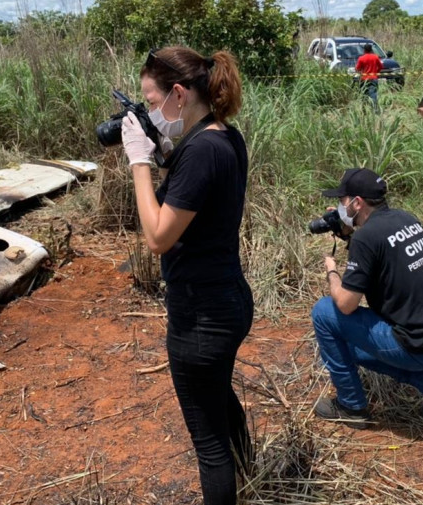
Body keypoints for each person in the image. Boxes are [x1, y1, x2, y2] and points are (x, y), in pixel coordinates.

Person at [121, 46, 252, 505]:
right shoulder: (223, 137)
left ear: (179, 94)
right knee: (218, 399)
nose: (151, 112)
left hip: (201, 316)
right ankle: (251, 477)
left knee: (208, 442)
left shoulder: (199, 153)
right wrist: (162, 154)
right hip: (229, 299)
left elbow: (158, 236)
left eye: (152, 102)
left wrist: (138, 161)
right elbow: (195, 197)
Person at [310, 168, 423, 428]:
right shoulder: (405, 219)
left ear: (356, 202)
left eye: (342, 201)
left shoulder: (366, 237)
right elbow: (381, 260)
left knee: (324, 311)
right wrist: (351, 232)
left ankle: (351, 407)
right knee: (354, 349)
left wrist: (332, 270)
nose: (340, 207)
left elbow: (346, 305)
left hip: (415, 346)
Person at [355, 43, 383, 113]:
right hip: (373, 78)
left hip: (364, 79)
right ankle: (376, 111)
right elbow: (381, 67)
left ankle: (364, 111)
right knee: (373, 95)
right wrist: (376, 72)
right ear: (371, 50)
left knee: (364, 95)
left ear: (364, 50)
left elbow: (357, 69)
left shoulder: (361, 58)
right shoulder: (375, 57)